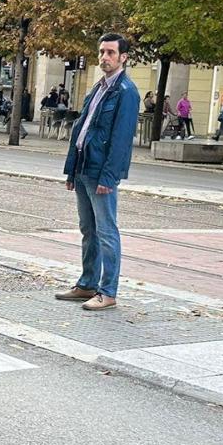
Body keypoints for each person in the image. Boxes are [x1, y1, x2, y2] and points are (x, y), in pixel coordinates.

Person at [58, 33, 140, 312]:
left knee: (106, 230)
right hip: (83, 167)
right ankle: (87, 283)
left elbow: (120, 139)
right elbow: (82, 128)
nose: (104, 57)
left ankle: (108, 291)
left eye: (110, 53)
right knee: (88, 229)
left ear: (123, 58)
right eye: (102, 52)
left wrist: (109, 176)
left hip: (100, 171)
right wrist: (71, 169)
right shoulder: (99, 87)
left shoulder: (126, 92)